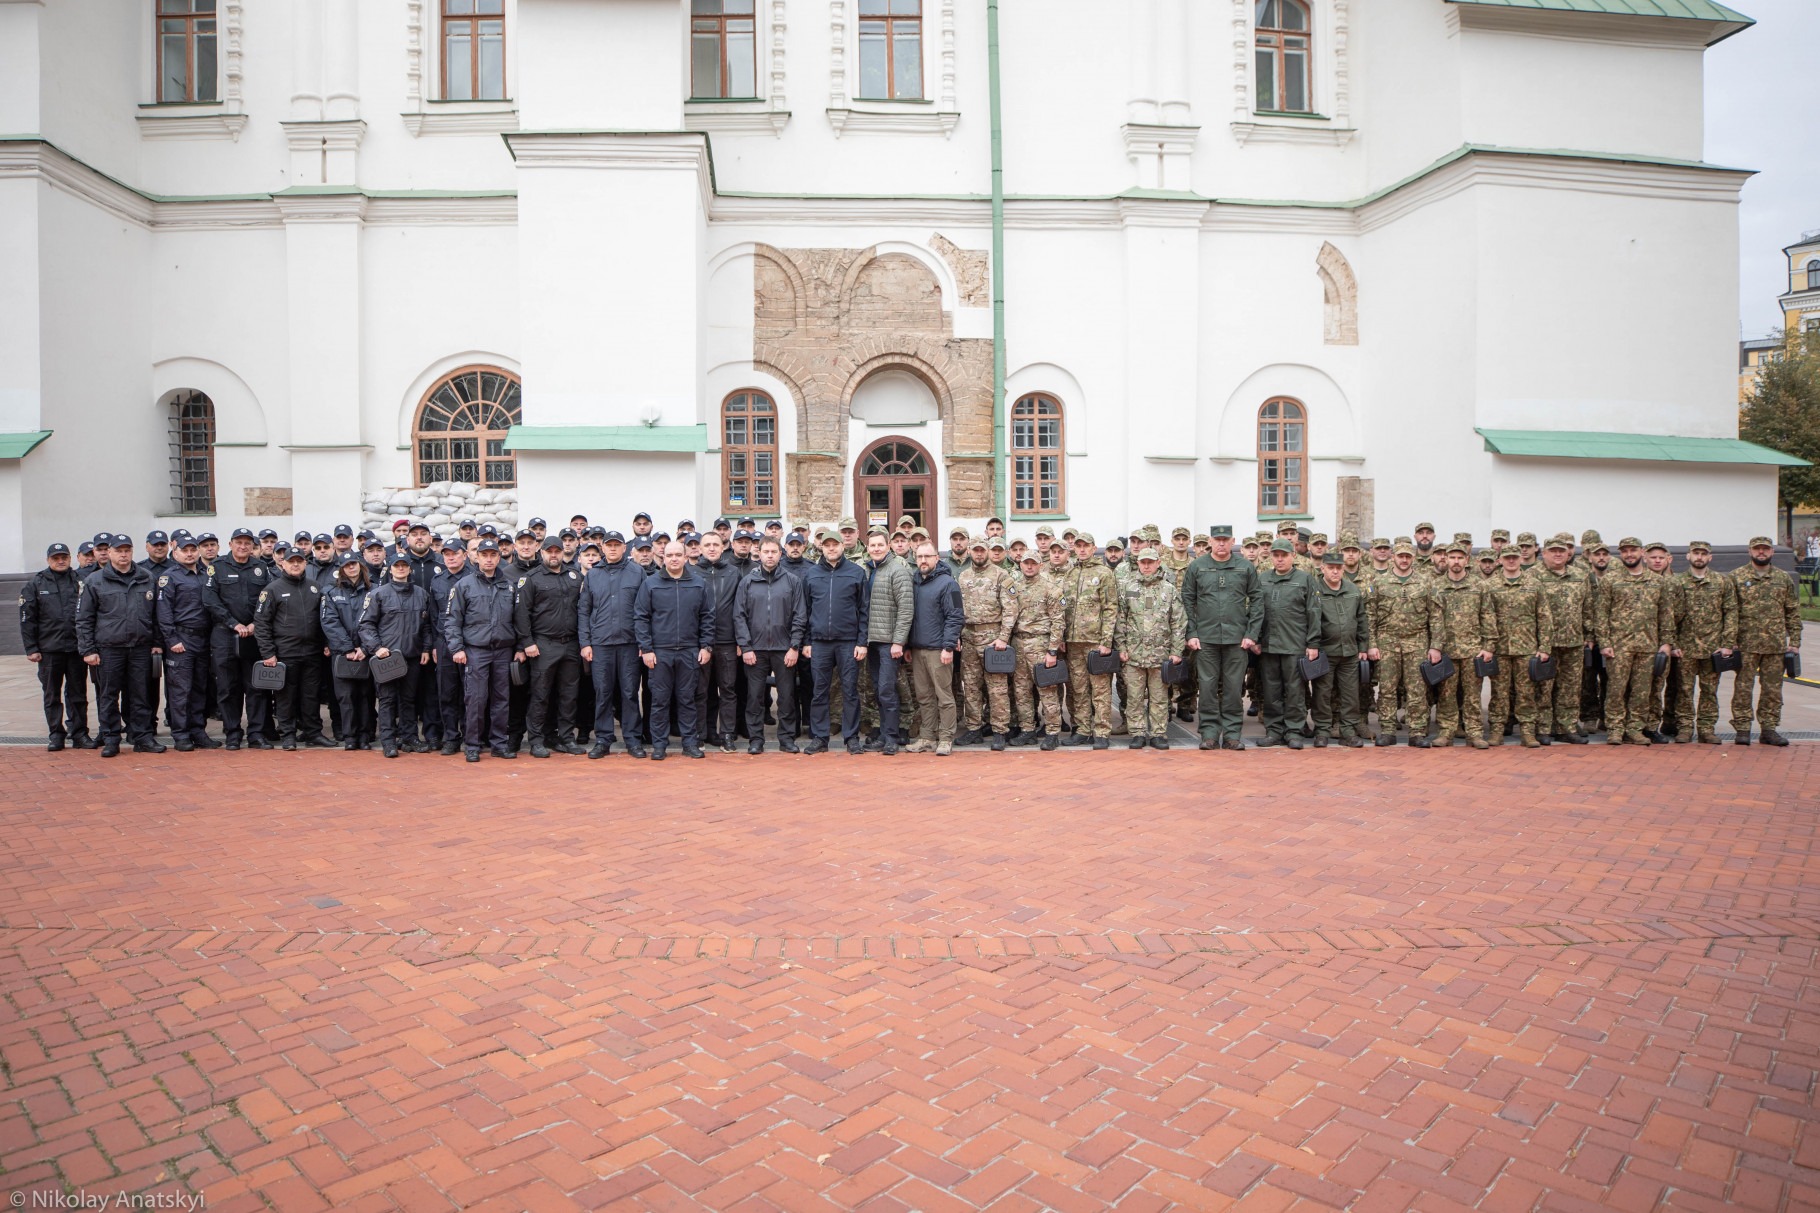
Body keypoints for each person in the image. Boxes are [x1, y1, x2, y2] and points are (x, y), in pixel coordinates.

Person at [77, 535, 164, 758]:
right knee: (108, 695)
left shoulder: (147, 577)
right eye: (119, 551)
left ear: (133, 551)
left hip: (140, 647)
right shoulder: (95, 581)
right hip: (109, 648)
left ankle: (142, 736)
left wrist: (156, 642)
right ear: (110, 553)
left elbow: (156, 615)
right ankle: (111, 738)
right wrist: (88, 649)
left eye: (127, 550)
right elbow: (84, 618)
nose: (123, 554)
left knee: (141, 694)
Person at [1180, 524, 1262, 751]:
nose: (1222, 543)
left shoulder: (1244, 567)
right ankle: (1209, 734)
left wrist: (1251, 634)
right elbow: (1187, 600)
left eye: (1226, 539)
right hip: (1206, 639)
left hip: (1237, 640)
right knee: (1206, 689)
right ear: (1210, 541)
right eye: (1217, 539)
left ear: (1233, 541)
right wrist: (1192, 632)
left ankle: (1232, 734)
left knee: (1234, 689)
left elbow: (1257, 600)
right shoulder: (1198, 566)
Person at [634, 540, 714, 760]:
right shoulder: (651, 584)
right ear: (663, 558)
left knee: (687, 699)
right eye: (670, 555)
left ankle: (690, 743)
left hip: (689, 651)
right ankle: (659, 744)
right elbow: (641, 618)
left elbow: (707, 616)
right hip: (660, 652)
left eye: (678, 555)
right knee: (660, 700)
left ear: (686, 557)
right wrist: (647, 648)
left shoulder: (698, 584)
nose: (674, 559)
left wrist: (706, 645)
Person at [1593, 538, 1675, 745]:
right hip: (1619, 645)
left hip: (1648, 644)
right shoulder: (1611, 580)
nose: (1629, 554)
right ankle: (1614, 728)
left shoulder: (1657, 581)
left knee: (1642, 690)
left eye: (1633, 550)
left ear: (1642, 552)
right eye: (1625, 551)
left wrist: (1666, 642)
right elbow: (1601, 614)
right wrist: (1604, 642)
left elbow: (1666, 614)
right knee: (1616, 689)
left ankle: (1635, 728)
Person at [445, 537, 519, 761]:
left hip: (503, 650)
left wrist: (520, 646)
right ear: (476, 557)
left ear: (499, 557)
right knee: (475, 699)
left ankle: (498, 743)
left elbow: (518, 620)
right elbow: (452, 620)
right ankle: (473, 745)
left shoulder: (508, 585)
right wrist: (456, 648)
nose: (488, 559)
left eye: (492, 555)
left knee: (501, 699)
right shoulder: (463, 585)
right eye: (484, 555)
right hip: (476, 650)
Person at [734, 536, 807, 754]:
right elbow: (739, 616)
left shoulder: (792, 581)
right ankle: (756, 739)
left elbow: (800, 615)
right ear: (759, 553)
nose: (769, 555)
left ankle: (786, 738)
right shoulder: (747, 581)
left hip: (784, 649)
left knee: (786, 697)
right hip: (755, 650)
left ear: (780, 553)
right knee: (754, 697)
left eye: (774, 552)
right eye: (766, 551)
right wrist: (746, 647)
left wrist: (794, 646)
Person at [514, 536, 586, 758]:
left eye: (557, 551)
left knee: (569, 694)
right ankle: (536, 740)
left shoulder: (575, 577)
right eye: (549, 551)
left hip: (571, 644)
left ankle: (566, 737)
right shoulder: (531, 579)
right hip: (543, 644)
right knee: (540, 694)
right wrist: (527, 642)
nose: (553, 555)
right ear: (541, 552)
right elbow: (521, 614)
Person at [360, 553, 436, 758]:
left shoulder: (421, 594)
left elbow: (427, 625)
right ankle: (388, 741)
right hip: (388, 657)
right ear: (391, 569)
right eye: (397, 566)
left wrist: (427, 649)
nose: (401, 568)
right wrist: (376, 648)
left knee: (409, 699)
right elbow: (366, 625)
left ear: (409, 569)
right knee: (387, 700)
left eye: (404, 565)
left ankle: (410, 737)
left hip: (412, 655)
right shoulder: (378, 594)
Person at [254, 545, 331, 750]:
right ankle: (288, 734)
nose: (295, 564)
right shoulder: (272, 589)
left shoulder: (314, 587)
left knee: (311, 695)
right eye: (291, 561)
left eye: (299, 561)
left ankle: (312, 732)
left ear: (306, 563)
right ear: (283, 563)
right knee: (286, 696)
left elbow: (324, 620)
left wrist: (325, 644)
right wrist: (268, 653)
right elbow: (261, 623)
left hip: (312, 652)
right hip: (285, 652)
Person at [579, 530, 647, 758]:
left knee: (629, 693)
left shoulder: (637, 573)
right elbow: (584, 611)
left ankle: (632, 739)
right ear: (603, 548)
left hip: (630, 643)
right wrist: (585, 643)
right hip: (601, 644)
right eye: (609, 545)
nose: (613, 548)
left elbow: (645, 610)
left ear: (624, 548)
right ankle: (604, 739)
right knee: (603, 693)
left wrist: (643, 641)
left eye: (617, 545)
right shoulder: (593, 575)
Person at [22, 541, 93, 750]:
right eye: (56, 558)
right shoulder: (36, 584)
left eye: (64, 557)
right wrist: (31, 648)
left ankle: (80, 734)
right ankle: (56, 734)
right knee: (52, 694)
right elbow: (27, 619)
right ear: (48, 560)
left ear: (71, 559)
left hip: (76, 648)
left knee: (78, 694)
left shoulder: (81, 580)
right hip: (49, 649)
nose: (60, 561)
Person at [1729, 535, 1799, 746]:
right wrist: (1730, 639)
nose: (1761, 552)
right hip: (1746, 644)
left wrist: (1794, 640)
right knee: (1743, 688)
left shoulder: (1782, 578)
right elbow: (1730, 611)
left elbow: (1793, 611)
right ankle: (1742, 728)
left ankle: (1769, 729)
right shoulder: (1736, 577)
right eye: (1757, 549)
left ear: (1772, 552)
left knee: (1772, 689)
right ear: (1750, 551)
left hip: (1775, 645)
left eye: (1765, 549)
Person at [1114, 547, 1187, 750]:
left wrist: (1176, 651)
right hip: (1134, 654)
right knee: (1134, 697)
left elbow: (1179, 622)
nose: (1146, 566)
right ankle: (1137, 732)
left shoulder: (1168, 589)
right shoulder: (1129, 587)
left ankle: (1158, 733)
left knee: (1159, 697)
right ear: (1138, 563)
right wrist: (1121, 646)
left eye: (1150, 562)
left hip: (1160, 654)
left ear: (1157, 563)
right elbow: (1121, 619)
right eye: (1143, 562)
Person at [1367, 541, 1438, 747]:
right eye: (1401, 556)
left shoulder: (1425, 582)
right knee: (1387, 688)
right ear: (1393, 558)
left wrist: (1435, 646)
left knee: (1417, 689)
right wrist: (1372, 644)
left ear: (1413, 558)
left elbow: (1435, 616)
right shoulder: (1379, 582)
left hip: (1417, 642)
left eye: (1408, 556)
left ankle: (1417, 731)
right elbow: (1370, 616)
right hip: (1387, 641)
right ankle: (1388, 730)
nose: (1404, 560)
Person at [1430, 543, 1498, 748]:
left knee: (1472, 696)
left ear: (1467, 560)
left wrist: (1489, 646)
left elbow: (1487, 616)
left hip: (1472, 649)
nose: (1456, 561)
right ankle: (1446, 732)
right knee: (1447, 695)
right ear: (1446, 560)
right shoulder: (1437, 586)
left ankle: (1475, 733)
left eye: (1460, 558)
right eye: (1452, 558)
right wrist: (1435, 647)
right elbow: (1433, 619)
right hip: (1447, 650)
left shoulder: (1479, 586)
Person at [154, 532, 217, 751]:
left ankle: (198, 731)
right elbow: (163, 612)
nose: (190, 554)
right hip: (182, 639)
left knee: (201, 687)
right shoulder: (169, 577)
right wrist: (172, 639)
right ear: (175, 552)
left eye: (193, 549)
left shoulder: (206, 573)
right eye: (185, 550)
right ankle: (180, 734)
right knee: (181, 690)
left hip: (203, 638)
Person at [1669, 540, 1736, 745]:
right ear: (1688, 556)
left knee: (1709, 691)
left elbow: (1731, 612)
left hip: (1712, 647)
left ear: (1710, 557)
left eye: (1703, 554)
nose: (1699, 557)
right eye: (1695, 553)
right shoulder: (1677, 582)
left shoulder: (1721, 582)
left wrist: (1727, 643)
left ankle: (1707, 728)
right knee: (1684, 690)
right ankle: (1685, 728)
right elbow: (1669, 615)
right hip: (1685, 647)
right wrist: (1672, 643)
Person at [1254, 539, 1319, 749]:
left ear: (1293, 556)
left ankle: (1294, 731)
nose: (1280, 559)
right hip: (1269, 645)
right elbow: (1254, 611)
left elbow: (1314, 612)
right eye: (1276, 555)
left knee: (1295, 692)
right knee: (1271, 691)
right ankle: (1274, 731)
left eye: (1284, 555)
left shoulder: (1304, 579)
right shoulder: (1263, 578)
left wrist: (1313, 643)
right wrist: (1255, 638)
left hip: (1294, 644)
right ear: (1271, 557)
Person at [1486, 546, 1553, 748]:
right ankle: (1497, 729)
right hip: (1500, 647)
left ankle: (1527, 730)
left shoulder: (1534, 585)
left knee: (1526, 692)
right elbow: (1485, 617)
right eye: (1507, 558)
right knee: (1499, 692)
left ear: (1520, 559)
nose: (1512, 561)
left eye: (1515, 557)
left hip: (1527, 647)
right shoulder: (1490, 585)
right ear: (1500, 560)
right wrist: (1488, 645)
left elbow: (1544, 616)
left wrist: (1545, 647)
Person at [903, 542, 964, 755]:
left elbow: (956, 615)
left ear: (937, 557)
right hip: (918, 649)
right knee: (924, 697)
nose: (923, 561)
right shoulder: (914, 582)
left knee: (944, 696)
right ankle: (927, 736)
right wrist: (909, 645)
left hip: (939, 650)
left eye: (927, 556)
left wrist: (948, 646)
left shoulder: (950, 584)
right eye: (919, 557)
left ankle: (946, 738)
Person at [957, 534, 1017, 749]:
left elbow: (1011, 609)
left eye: (983, 550)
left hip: (993, 638)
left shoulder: (1002, 575)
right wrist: (957, 635)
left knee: (997, 686)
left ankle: (1000, 730)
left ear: (989, 551)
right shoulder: (963, 577)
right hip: (968, 637)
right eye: (976, 550)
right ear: (970, 551)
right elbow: (956, 610)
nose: (979, 553)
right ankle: (974, 728)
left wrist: (1003, 638)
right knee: (971, 686)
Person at [1533, 535, 1594, 744]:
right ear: (1544, 553)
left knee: (1570, 687)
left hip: (1573, 641)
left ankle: (1566, 727)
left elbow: (1587, 607)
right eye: (1553, 551)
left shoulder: (1580, 575)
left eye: (1562, 551)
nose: (1558, 554)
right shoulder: (1533, 575)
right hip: (1545, 643)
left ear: (1568, 553)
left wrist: (1589, 635)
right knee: (1544, 688)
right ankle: (1542, 728)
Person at [1062, 532, 1120, 749]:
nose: (1082, 549)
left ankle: (1102, 731)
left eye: (1086, 546)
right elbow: (1063, 608)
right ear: (1074, 549)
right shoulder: (1070, 573)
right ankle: (1083, 729)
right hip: (1074, 642)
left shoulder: (1103, 573)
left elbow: (1110, 608)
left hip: (1095, 641)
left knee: (1101, 690)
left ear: (1094, 548)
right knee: (1078, 688)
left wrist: (1106, 641)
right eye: (1079, 546)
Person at [862, 529, 914, 755]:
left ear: (888, 546)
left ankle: (892, 737)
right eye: (872, 545)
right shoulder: (866, 570)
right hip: (871, 641)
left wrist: (898, 642)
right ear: (867, 548)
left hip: (889, 642)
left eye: (880, 545)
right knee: (877, 689)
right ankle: (883, 734)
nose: (876, 549)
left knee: (887, 690)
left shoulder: (897, 570)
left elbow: (906, 609)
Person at [1006, 550, 1065, 750]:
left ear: (1040, 565)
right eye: (1026, 563)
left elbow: (1058, 622)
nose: (1029, 566)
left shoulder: (1051, 589)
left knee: (1047, 691)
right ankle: (1027, 730)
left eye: (1033, 563)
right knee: (1021, 692)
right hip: (1019, 643)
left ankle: (1052, 732)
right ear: (1020, 564)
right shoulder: (1014, 587)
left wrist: (1053, 651)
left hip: (1040, 644)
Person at [1310, 551, 1369, 747]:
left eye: (1338, 568)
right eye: (1331, 568)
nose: (1335, 572)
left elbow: (1361, 619)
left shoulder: (1352, 590)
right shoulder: (1315, 590)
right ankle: (1322, 731)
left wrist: (1363, 645)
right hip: (1325, 652)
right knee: (1322, 693)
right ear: (1323, 568)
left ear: (1343, 569)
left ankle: (1348, 731)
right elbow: (1310, 621)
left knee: (1350, 694)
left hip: (1350, 652)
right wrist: (1313, 646)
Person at [692, 531, 742, 750]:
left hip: (727, 641)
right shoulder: (691, 573)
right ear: (699, 549)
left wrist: (741, 640)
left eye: (716, 544)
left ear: (723, 547)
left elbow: (741, 609)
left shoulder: (734, 573)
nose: (712, 548)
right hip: (700, 641)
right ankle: (702, 733)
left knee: (728, 689)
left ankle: (727, 733)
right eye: (707, 545)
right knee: (701, 690)